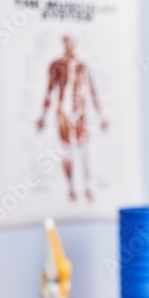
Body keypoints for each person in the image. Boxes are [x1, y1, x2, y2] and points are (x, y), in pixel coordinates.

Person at [36, 35, 109, 201]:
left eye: (72, 43)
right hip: (63, 112)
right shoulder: (56, 65)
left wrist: (101, 116)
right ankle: (71, 187)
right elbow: (49, 91)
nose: (69, 47)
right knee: (67, 151)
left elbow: (92, 90)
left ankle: (87, 187)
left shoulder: (82, 66)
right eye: (66, 43)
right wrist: (43, 116)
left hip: (80, 113)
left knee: (83, 151)